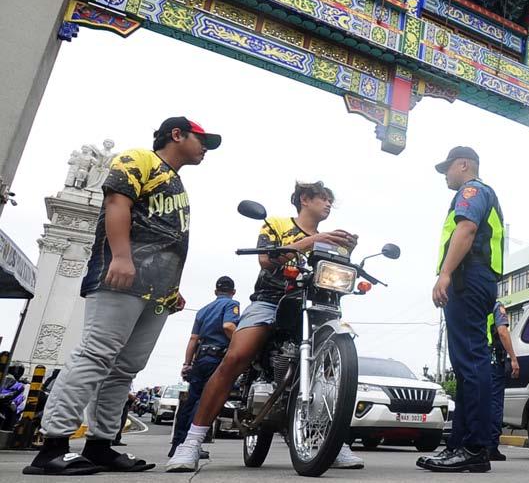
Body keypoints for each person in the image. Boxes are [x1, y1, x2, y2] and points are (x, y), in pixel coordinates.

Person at [23, 116, 221, 476]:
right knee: (95, 354)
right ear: (177, 134)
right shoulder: (139, 158)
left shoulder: (176, 182)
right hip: (122, 276)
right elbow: (117, 202)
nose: (205, 148)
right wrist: (121, 256)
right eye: (201, 139)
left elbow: (166, 238)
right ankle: (52, 446)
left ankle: (101, 445)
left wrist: (171, 289)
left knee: (125, 369)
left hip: (158, 291)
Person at [167, 181, 361, 472]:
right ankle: (191, 442)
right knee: (236, 356)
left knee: (334, 369)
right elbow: (266, 259)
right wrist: (312, 241)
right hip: (271, 299)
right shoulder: (277, 224)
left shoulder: (331, 239)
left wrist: (347, 250)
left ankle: (333, 441)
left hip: (316, 305)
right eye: (323, 198)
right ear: (304, 199)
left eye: (329, 200)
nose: (328, 204)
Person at [419, 146, 504, 473]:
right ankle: (459, 445)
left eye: (448, 168)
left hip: (469, 277)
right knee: (467, 362)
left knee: (471, 361)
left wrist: (445, 273)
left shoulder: (473, 191)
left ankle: (474, 447)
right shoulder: (479, 192)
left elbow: (466, 229)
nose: (445, 175)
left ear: (464, 164)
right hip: (474, 279)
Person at [168, 276, 240, 457]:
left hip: (200, 359)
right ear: (233, 292)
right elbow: (228, 326)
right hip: (217, 359)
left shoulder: (203, 311)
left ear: (216, 291)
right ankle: (190, 445)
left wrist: (187, 363)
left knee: (191, 401)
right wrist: (241, 344)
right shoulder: (232, 304)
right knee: (204, 402)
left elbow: (193, 339)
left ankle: (177, 445)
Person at [487, 302, 519, 461]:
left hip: (475, 361)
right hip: (493, 362)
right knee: (495, 404)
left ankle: (473, 445)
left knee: (477, 402)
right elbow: (502, 332)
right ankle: (491, 447)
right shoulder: (496, 306)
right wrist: (513, 358)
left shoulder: (474, 305)